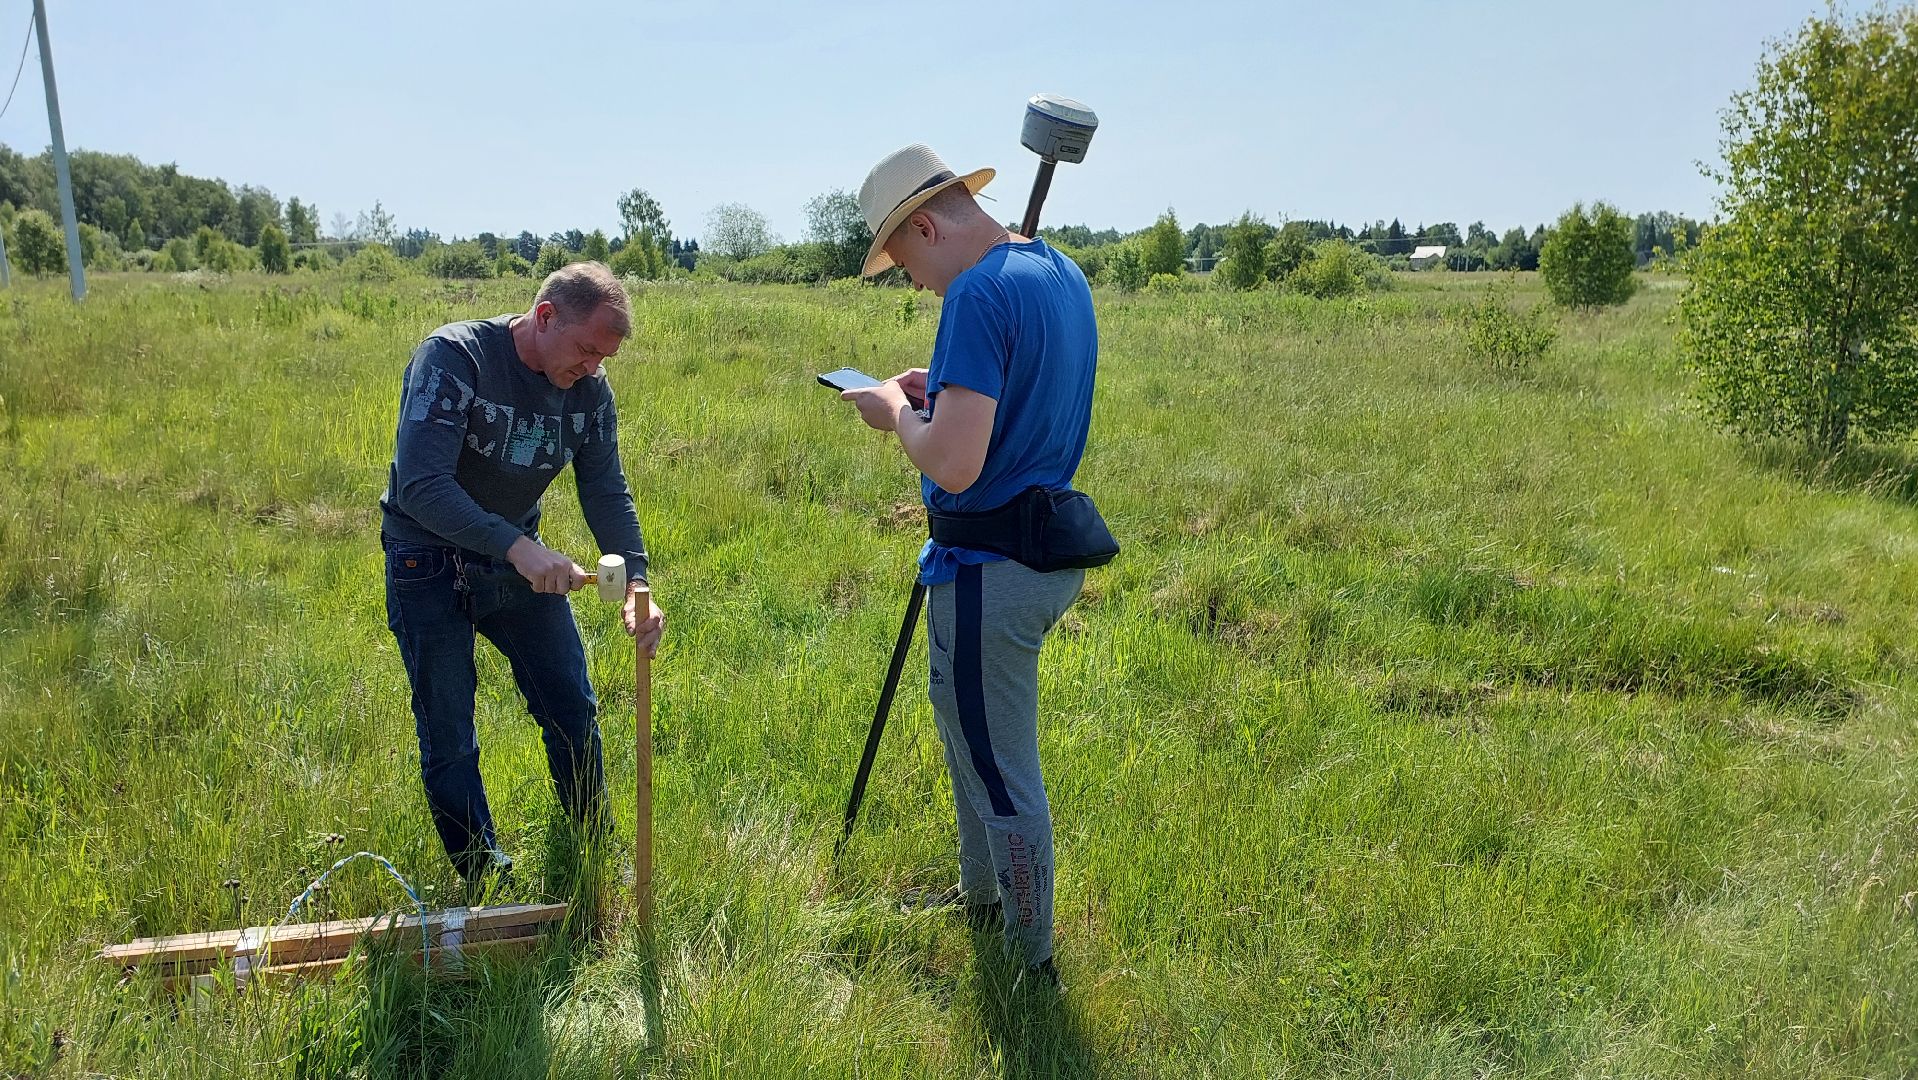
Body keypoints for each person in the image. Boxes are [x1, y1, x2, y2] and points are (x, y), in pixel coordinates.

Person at [838, 144, 1103, 987]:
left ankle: (1034, 966)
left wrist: (894, 414)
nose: (915, 285)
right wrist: (944, 388)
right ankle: (980, 896)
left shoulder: (979, 291)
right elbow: (1014, 397)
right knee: (964, 727)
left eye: (907, 264)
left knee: (999, 764)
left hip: (992, 564)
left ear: (924, 225)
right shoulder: (1057, 271)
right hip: (1035, 549)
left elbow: (952, 464)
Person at [379, 261, 664, 885]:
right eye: (587, 349)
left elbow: (605, 491)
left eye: (604, 358)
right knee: (449, 729)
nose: (592, 368)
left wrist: (636, 581)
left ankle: (595, 852)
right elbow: (422, 485)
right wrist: (516, 547)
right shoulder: (455, 359)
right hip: (425, 559)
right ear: (544, 317)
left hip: (515, 560)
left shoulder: (589, 392)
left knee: (570, 703)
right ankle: (483, 878)